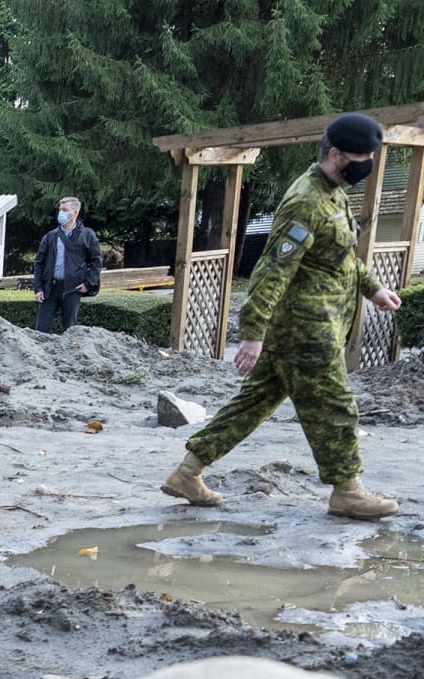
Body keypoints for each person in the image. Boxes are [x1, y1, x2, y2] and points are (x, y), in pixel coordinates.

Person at [161, 112, 402, 520]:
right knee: (336, 406)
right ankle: (347, 490)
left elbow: (342, 258)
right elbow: (273, 269)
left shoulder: (335, 194)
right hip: (305, 330)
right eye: (360, 158)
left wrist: (374, 288)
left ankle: (187, 473)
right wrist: (252, 333)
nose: (366, 166)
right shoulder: (306, 200)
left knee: (252, 404)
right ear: (336, 153)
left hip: (317, 323)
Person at [33, 197, 101, 333]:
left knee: (70, 330)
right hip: (50, 289)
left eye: (65, 210)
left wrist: (89, 283)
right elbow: (39, 263)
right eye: (60, 210)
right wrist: (38, 288)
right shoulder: (50, 236)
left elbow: (96, 261)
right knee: (40, 329)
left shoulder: (88, 235)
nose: (61, 213)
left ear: (75, 212)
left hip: (72, 289)